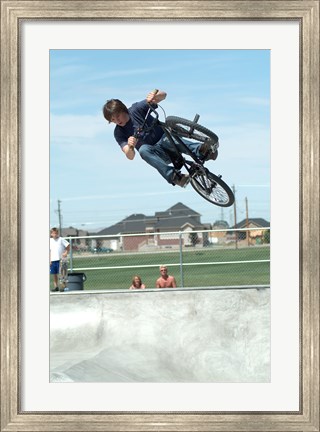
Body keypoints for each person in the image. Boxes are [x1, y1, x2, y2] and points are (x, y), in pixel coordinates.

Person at [102, 89, 217, 188]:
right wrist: (130, 147)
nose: (117, 121)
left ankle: (203, 151)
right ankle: (175, 177)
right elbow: (129, 156)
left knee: (166, 139)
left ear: (123, 110)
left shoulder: (136, 109)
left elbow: (163, 96)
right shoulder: (119, 132)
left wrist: (156, 96)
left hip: (168, 141)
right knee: (143, 149)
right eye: (113, 120)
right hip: (158, 155)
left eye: (117, 116)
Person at [50, 227, 70, 292]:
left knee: (62, 274)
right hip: (53, 260)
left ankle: (62, 286)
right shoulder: (50, 241)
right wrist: (49, 260)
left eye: (56, 233)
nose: (55, 234)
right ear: (51, 234)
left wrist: (66, 252)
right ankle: (56, 287)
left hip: (60, 259)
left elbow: (68, 245)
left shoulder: (61, 239)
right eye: (53, 233)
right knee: (54, 274)